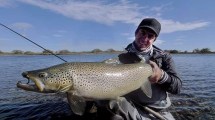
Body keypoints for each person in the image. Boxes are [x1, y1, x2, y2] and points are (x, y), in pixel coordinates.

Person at [83, 18, 182, 120]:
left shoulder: (165, 57)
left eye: (150, 36)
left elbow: (177, 87)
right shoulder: (122, 58)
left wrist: (161, 76)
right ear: (136, 32)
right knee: (104, 103)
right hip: (131, 107)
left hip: (159, 111)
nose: (144, 38)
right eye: (142, 33)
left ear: (154, 39)